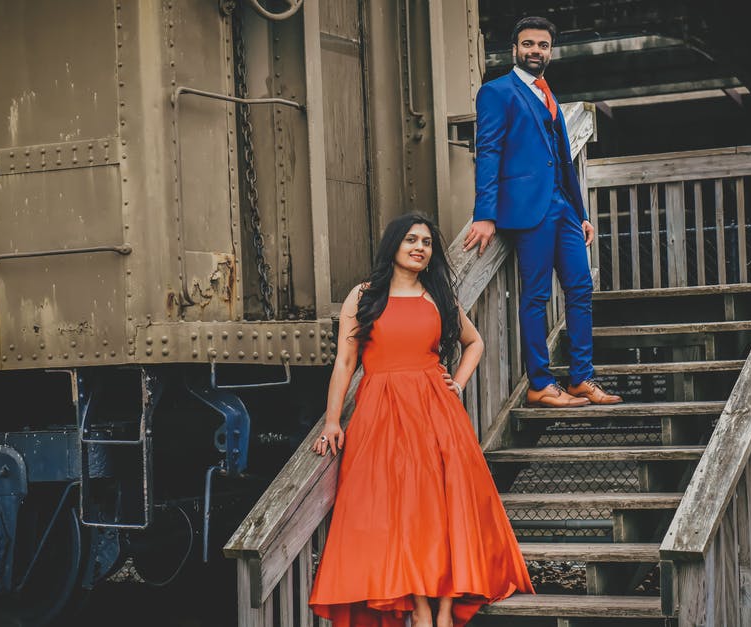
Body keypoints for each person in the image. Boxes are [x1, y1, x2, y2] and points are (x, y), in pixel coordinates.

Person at [308, 214, 534, 627]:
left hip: (436, 411)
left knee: (442, 508)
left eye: (427, 243)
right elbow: (344, 362)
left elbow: (475, 342)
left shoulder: (438, 295)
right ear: (393, 245)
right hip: (382, 412)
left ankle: (444, 607)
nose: (419, 247)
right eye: (411, 239)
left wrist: (458, 385)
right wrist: (332, 421)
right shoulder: (363, 296)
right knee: (400, 512)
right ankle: (421, 605)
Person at [463, 16, 622, 409]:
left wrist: (580, 211)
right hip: (527, 209)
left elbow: (564, 161)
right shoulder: (496, 92)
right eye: (529, 44)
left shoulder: (548, 92)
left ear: (551, 51)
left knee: (581, 288)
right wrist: (485, 213)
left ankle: (582, 378)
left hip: (563, 208)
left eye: (543, 45)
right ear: (514, 49)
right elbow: (489, 153)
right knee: (535, 295)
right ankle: (541, 382)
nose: (536, 51)